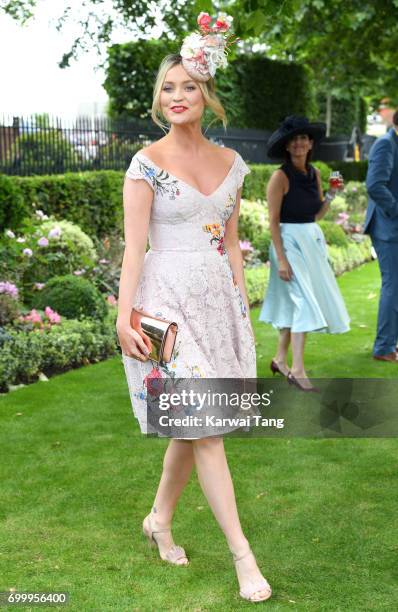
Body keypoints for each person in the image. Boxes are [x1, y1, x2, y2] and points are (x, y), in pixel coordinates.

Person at [116, 12, 272, 603]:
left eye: (189, 86)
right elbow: (134, 250)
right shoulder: (145, 165)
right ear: (159, 100)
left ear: (207, 94)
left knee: (192, 425)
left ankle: (159, 518)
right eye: (168, 87)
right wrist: (123, 316)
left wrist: (241, 306)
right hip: (163, 308)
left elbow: (229, 242)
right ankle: (243, 558)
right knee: (206, 429)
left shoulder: (234, 166)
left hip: (216, 304)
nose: (177, 96)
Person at [259, 116, 350, 390]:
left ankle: (279, 359)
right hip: (287, 243)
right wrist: (282, 259)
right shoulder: (279, 177)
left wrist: (332, 195)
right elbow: (273, 221)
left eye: (304, 139)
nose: (299, 143)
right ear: (287, 146)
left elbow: (316, 213)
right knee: (305, 303)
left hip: (311, 241)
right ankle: (297, 369)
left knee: (296, 304)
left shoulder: (316, 174)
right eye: (294, 139)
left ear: (310, 144)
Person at [363, 109, 398, 363]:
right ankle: (384, 347)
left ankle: (389, 343)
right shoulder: (385, 144)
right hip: (388, 227)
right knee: (393, 287)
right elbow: (375, 184)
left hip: (391, 225)